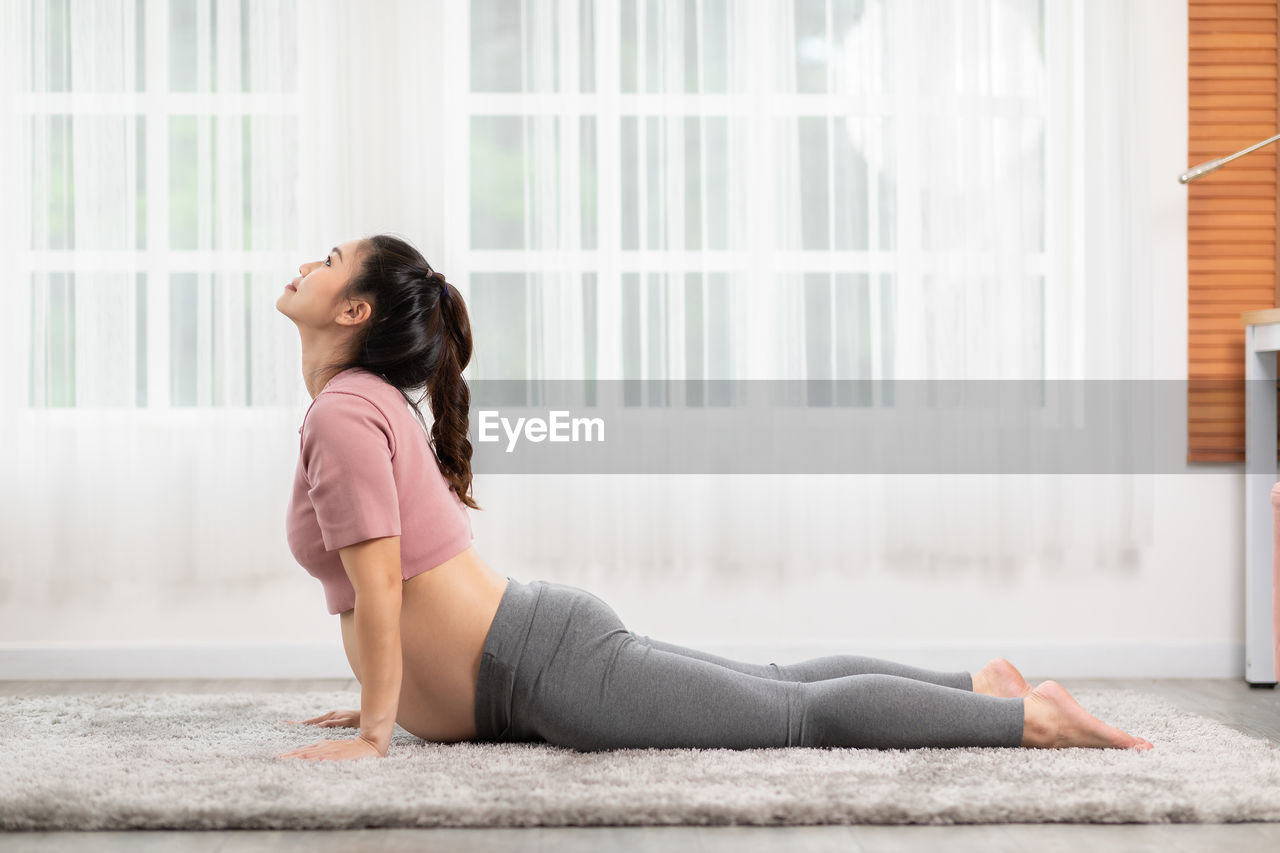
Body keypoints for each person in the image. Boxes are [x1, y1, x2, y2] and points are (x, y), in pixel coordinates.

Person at [272, 233, 1155, 762]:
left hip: (546, 670)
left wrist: (378, 728)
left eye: (332, 258)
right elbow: (400, 594)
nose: (310, 262)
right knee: (777, 686)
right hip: (529, 653)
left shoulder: (348, 413)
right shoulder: (361, 405)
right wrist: (384, 689)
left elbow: (384, 587)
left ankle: (1030, 720)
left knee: (796, 718)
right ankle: (982, 684)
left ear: (354, 313)